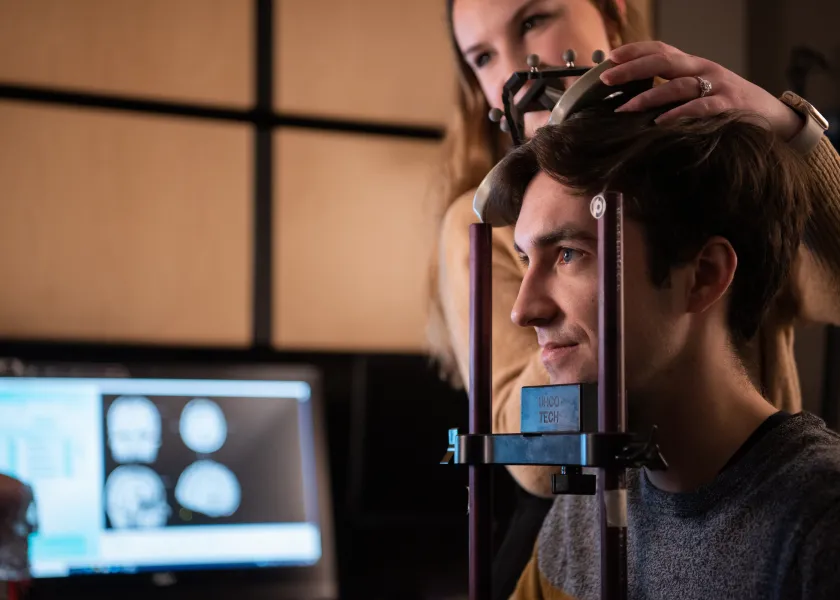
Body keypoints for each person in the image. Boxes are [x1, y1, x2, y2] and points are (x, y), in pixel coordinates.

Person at [427, 1, 840, 595]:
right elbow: (533, 456)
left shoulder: (815, 527)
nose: (516, 66)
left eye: (533, 21)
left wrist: (790, 132)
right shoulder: (575, 531)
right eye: (482, 57)